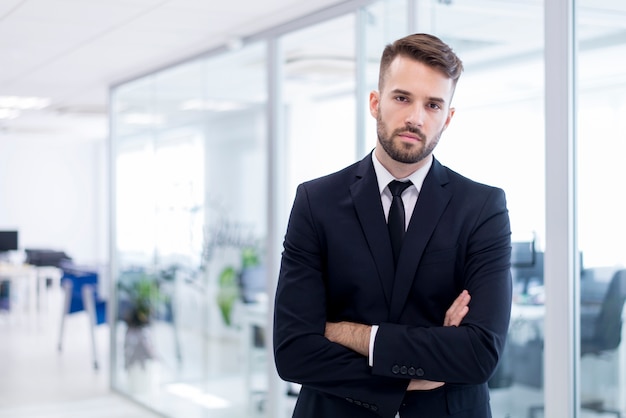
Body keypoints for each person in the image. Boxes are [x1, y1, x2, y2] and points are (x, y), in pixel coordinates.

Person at [273, 33, 512, 418]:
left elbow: (479, 354)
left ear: (448, 118)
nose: (416, 117)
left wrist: (349, 333)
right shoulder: (316, 202)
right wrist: (415, 372)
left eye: (433, 104)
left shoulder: (482, 207)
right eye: (402, 98)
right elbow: (293, 352)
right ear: (375, 103)